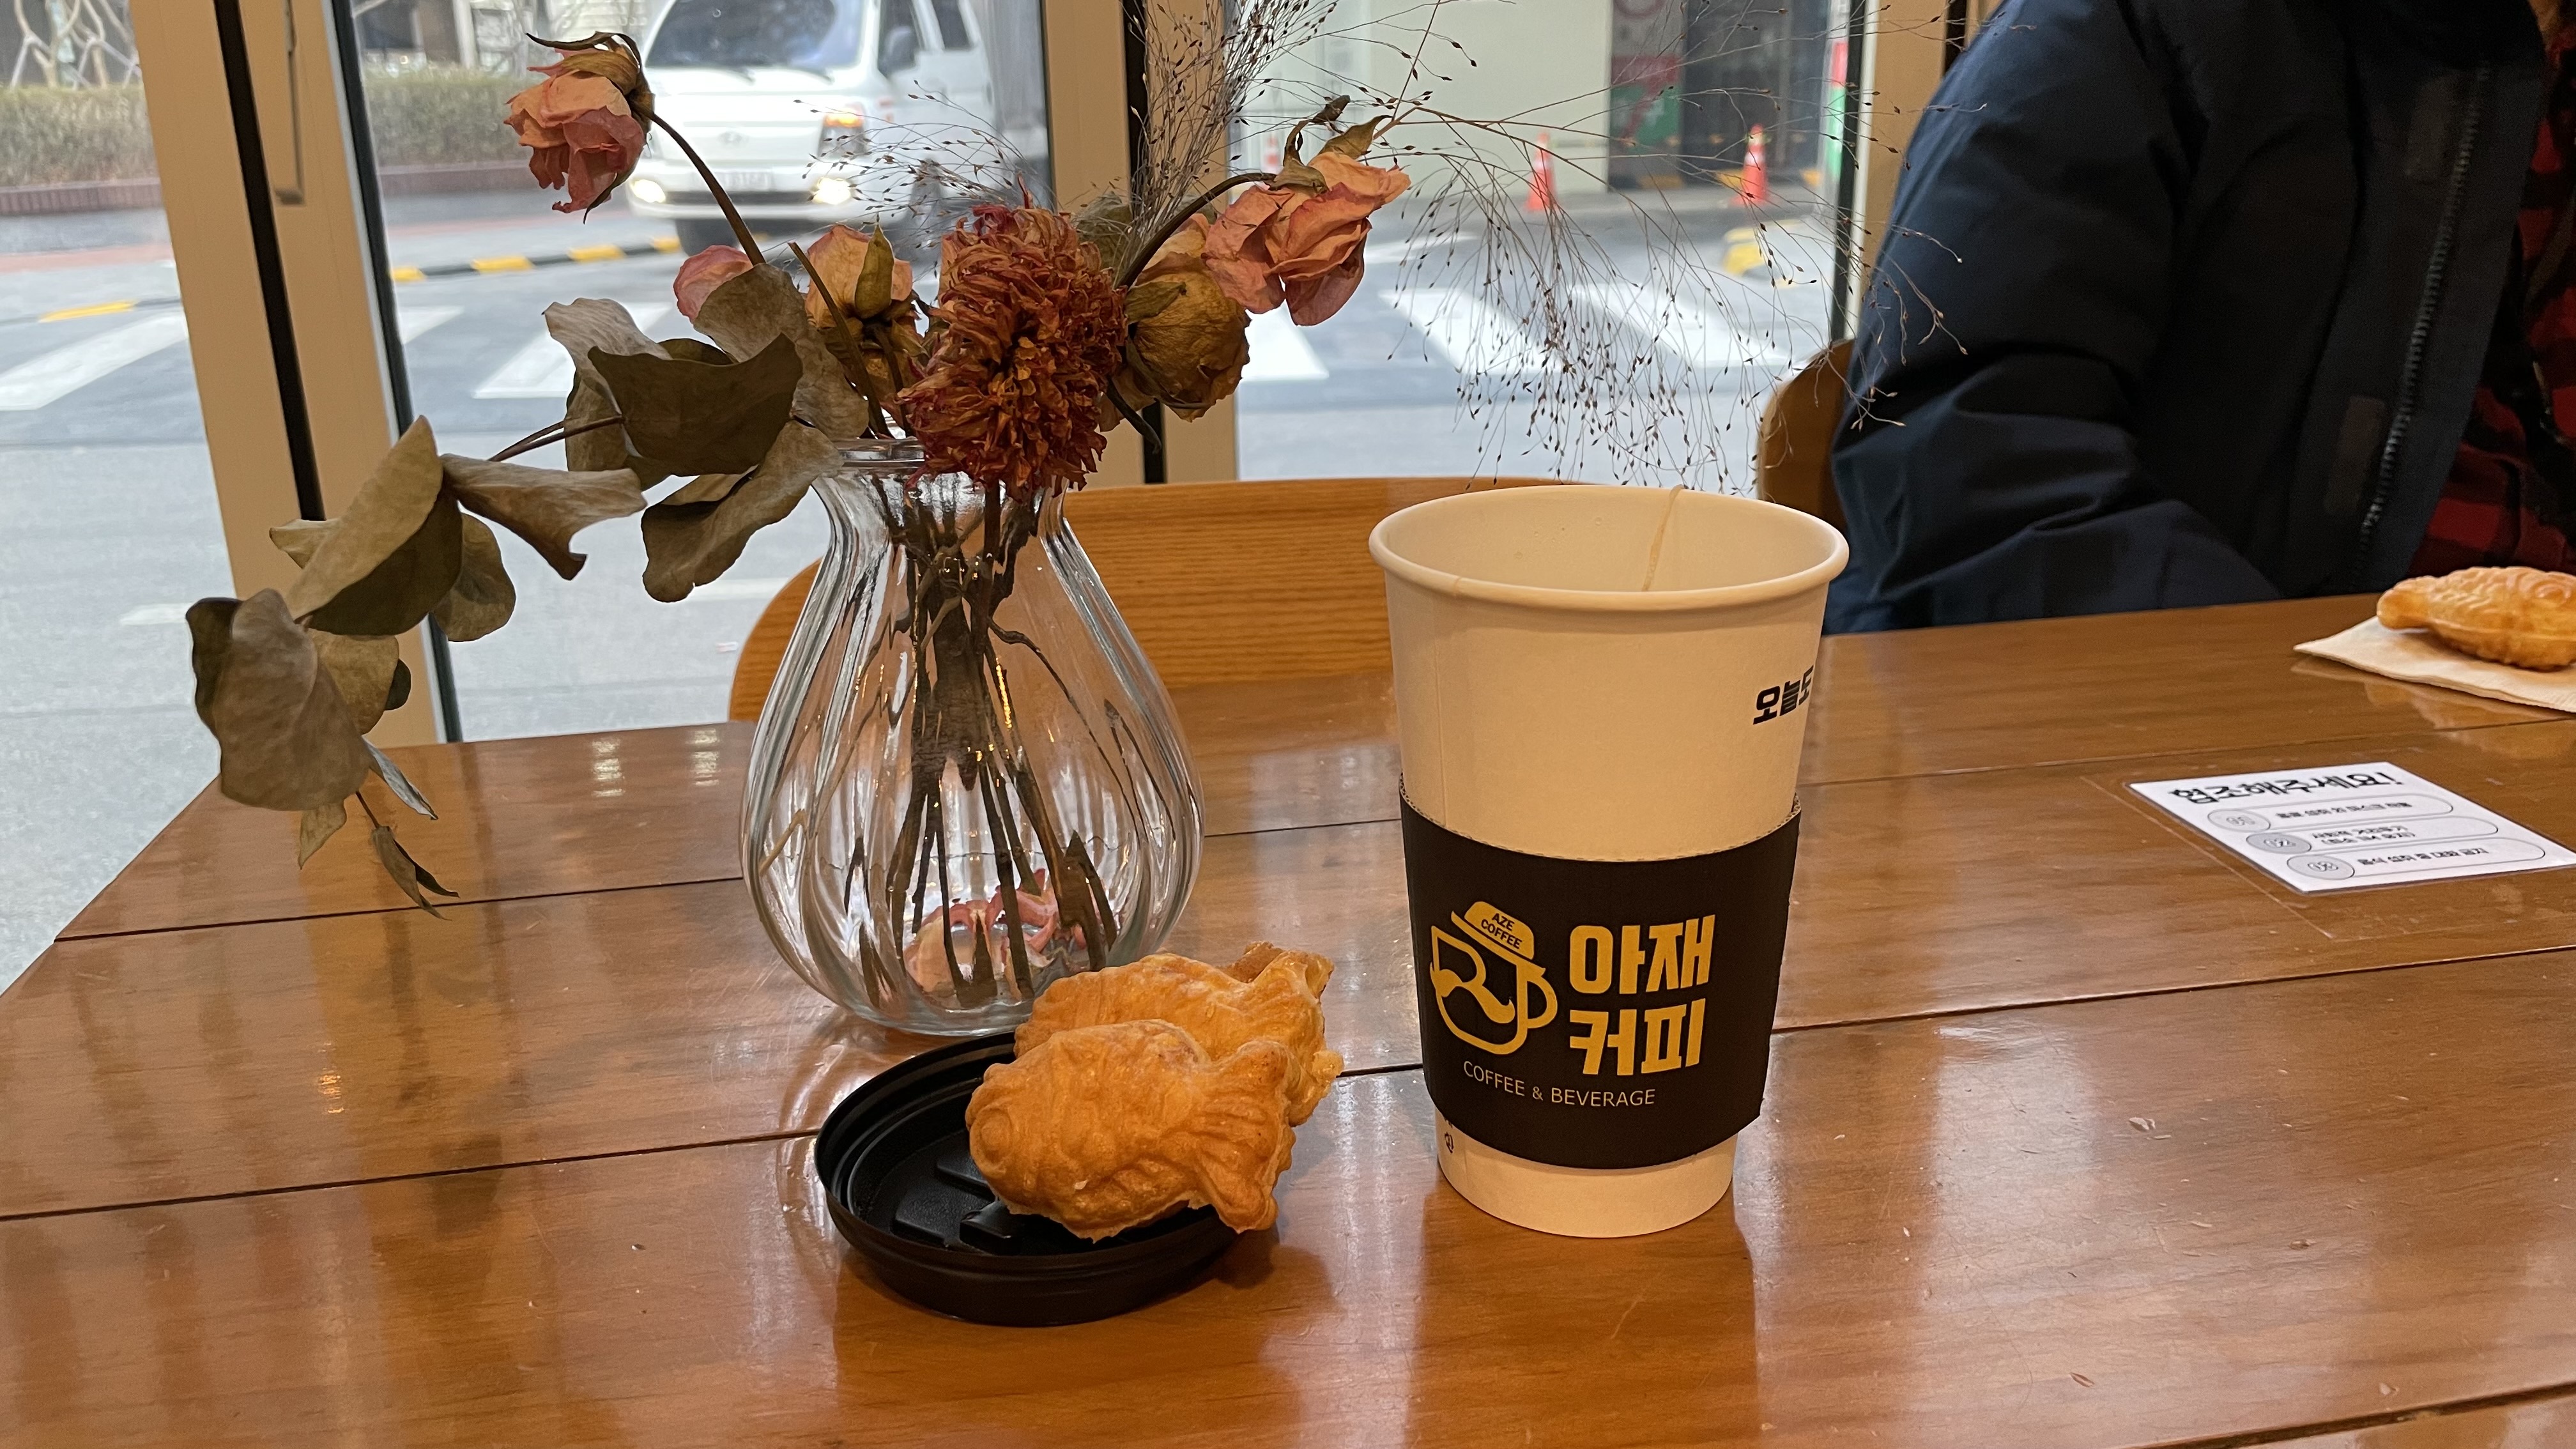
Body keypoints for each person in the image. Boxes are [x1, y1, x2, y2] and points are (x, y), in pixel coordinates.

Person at [1828, 0, 2573, 631]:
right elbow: (1959, 456)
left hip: (2501, 717)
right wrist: (2287, 700)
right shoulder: (2137, 26)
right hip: (2205, 700)